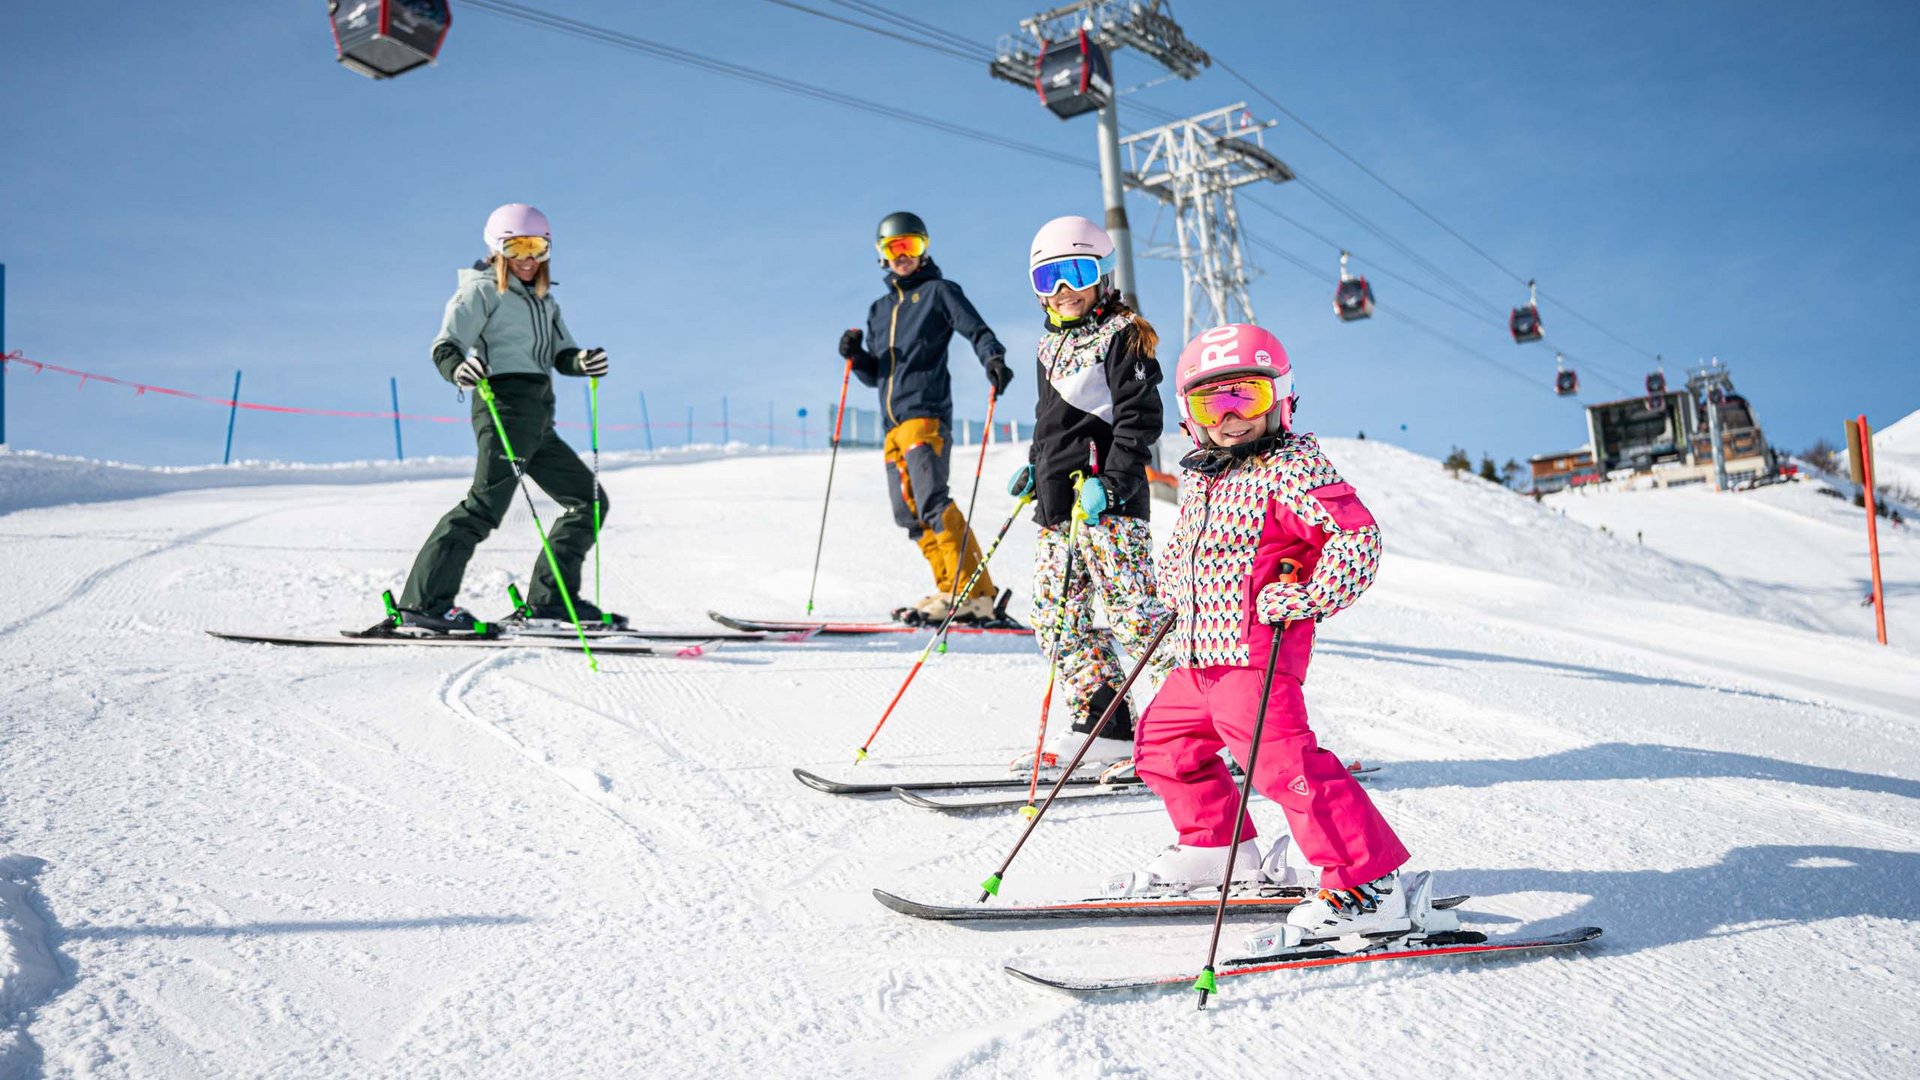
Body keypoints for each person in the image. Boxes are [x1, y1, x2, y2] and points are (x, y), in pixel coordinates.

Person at [1114, 322, 1433, 946]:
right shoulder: (1206, 478)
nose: (1232, 417)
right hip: (1197, 656)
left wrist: (1310, 595)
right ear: (1190, 414)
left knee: (1283, 764)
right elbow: (1192, 555)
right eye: (1213, 402)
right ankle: (1214, 848)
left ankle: (1368, 885)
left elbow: (1356, 537)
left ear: (1279, 399)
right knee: (1162, 746)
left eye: (1247, 398)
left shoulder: (1292, 468)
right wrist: (1174, 602)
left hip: (1256, 654)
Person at [392, 203, 621, 634]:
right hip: (503, 409)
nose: (529, 257)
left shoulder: (544, 301)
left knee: (587, 500)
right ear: (499, 249)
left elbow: (560, 353)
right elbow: (446, 344)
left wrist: (582, 360)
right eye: (518, 246)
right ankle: (421, 604)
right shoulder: (480, 291)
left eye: (538, 246)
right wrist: (458, 369)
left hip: (538, 420)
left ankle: (551, 603)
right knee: (484, 507)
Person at [1006, 216, 1171, 772]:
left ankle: (1208, 723)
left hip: (1108, 506)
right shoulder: (1046, 348)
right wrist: (1035, 468)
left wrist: (1114, 482)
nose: (1063, 291)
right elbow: (1048, 422)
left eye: (1075, 273)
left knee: (1137, 618)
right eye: (1048, 278)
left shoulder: (1123, 335)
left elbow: (1139, 420)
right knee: (1056, 621)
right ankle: (1106, 721)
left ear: (1101, 273)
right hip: (1057, 510)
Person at [838, 211, 1015, 626]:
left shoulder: (939, 292)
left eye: (911, 246)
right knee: (908, 514)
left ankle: (970, 594)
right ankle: (952, 589)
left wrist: (993, 358)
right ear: (882, 255)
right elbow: (873, 375)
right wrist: (855, 355)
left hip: (926, 414)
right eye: (893, 248)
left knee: (933, 501)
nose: (903, 256)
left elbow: (976, 329)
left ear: (924, 248)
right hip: (892, 426)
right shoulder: (879, 310)